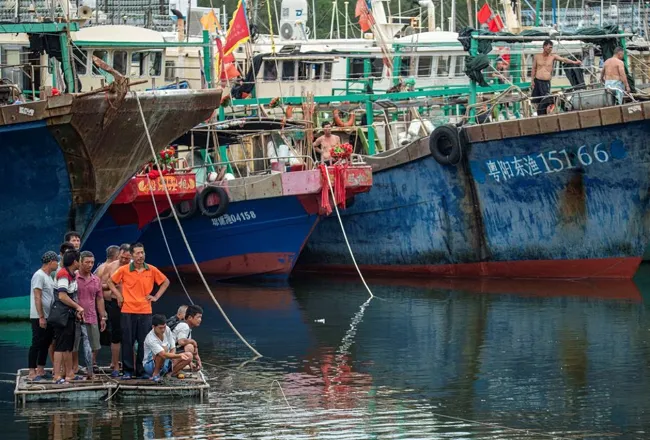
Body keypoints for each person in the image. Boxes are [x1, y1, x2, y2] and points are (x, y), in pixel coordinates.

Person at [108, 243, 170, 379]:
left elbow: (165, 282)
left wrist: (156, 297)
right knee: (127, 341)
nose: (140, 256)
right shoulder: (124, 270)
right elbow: (110, 281)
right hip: (127, 309)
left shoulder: (151, 269)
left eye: (142, 252)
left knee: (144, 342)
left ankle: (141, 370)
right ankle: (128, 370)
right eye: (137, 253)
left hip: (145, 310)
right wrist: (119, 295)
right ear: (131, 255)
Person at [97, 243, 131, 376]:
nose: (124, 261)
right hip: (115, 304)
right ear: (119, 254)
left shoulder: (136, 267)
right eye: (122, 257)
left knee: (130, 336)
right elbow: (101, 285)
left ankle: (131, 365)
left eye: (127, 258)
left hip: (131, 305)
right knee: (115, 335)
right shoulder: (111, 267)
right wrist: (115, 288)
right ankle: (115, 364)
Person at [52, 249, 84, 384]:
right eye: (80, 260)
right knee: (60, 346)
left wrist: (76, 309)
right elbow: (62, 295)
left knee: (68, 346)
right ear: (75, 261)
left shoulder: (72, 274)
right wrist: (78, 307)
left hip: (69, 315)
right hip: (62, 315)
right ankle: (57, 376)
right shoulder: (63, 274)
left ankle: (69, 373)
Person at [28, 251, 59, 380]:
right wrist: (41, 316)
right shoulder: (39, 275)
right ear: (51, 262)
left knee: (46, 343)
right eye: (57, 261)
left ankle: (40, 369)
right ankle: (31, 371)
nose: (58, 264)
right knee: (36, 343)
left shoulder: (49, 276)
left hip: (49, 316)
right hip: (39, 316)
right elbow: (37, 296)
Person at [76, 251, 107, 379]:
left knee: (95, 344)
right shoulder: (74, 277)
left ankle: (90, 368)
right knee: (73, 345)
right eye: (87, 262)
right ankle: (74, 367)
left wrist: (102, 317)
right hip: (75, 317)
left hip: (92, 316)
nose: (90, 265)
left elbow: (100, 299)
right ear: (80, 262)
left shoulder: (96, 280)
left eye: (92, 262)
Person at [531, 40, 582, 115]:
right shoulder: (537, 56)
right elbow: (533, 68)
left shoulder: (553, 56)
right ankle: (539, 115)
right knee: (536, 100)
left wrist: (574, 62)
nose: (550, 49)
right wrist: (532, 80)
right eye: (549, 47)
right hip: (537, 81)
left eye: (551, 48)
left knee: (546, 100)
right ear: (544, 47)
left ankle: (546, 115)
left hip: (546, 82)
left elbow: (564, 59)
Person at [143, 314, 192, 382]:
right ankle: (155, 374)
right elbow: (163, 354)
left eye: (164, 327)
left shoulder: (167, 329)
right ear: (153, 327)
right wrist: (178, 355)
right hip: (150, 366)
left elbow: (173, 346)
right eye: (160, 328)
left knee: (189, 355)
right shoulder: (150, 338)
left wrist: (172, 357)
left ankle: (169, 374)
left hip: (165, 361)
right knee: (164, 349)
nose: (163, 330)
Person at [172, 304, 203, 371]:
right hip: (168, 354)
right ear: (189, 318)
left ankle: (177, 366)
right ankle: (171, 372)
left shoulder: (186, 326)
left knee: (190, 346)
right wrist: (193, 342)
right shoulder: (184, 326)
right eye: (198, 317)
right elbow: (181, 341)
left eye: (201, 317)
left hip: (171, 352)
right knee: (190, 347)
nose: (200, 320)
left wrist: (197, 360)